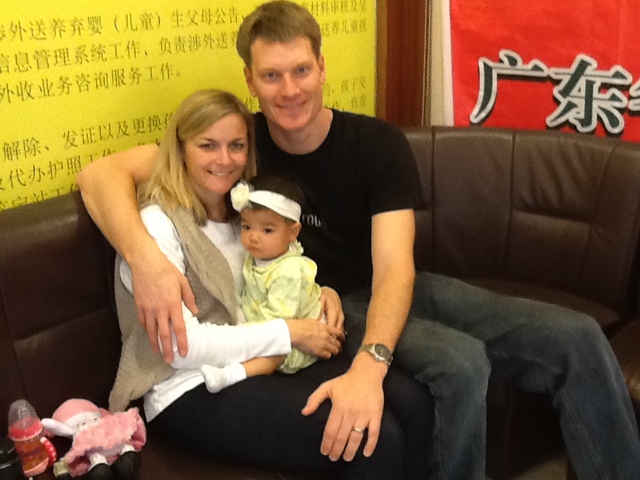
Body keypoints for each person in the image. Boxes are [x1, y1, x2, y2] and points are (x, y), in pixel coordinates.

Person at [77, 1, 640, 479]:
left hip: (396, 287)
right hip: (331, 307)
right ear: (250, 80)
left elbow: (395, 267)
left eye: (301, 70)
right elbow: (100, 176)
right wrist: (146, 260)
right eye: (271, 76)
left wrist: (371, 364)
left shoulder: (376, 144)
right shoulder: (239, 148)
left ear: (322, 68)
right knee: (460, 363)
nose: (289, 89)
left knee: (577, 336)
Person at [105, 87, 431, 480]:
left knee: (411, 400)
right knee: (371, 439)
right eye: (207, 145)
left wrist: (320, 293)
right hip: (189, 387)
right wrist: (291, 332)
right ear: (180, 149)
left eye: (236, 145)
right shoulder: (158, 225)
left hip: (257, 361)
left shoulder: (243, 216)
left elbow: (272, 278)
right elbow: (181, 349)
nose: (224, 159)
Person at [200, 173, 324, 393]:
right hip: (265, 328)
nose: (254, 237)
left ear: (293, 232)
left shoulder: (289, 271)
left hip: (296, 340)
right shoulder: (257, 257)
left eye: (267, 230)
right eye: (246, 227)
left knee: (274, 355)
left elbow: (280, 323)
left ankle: (231, 375)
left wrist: (243, 334)